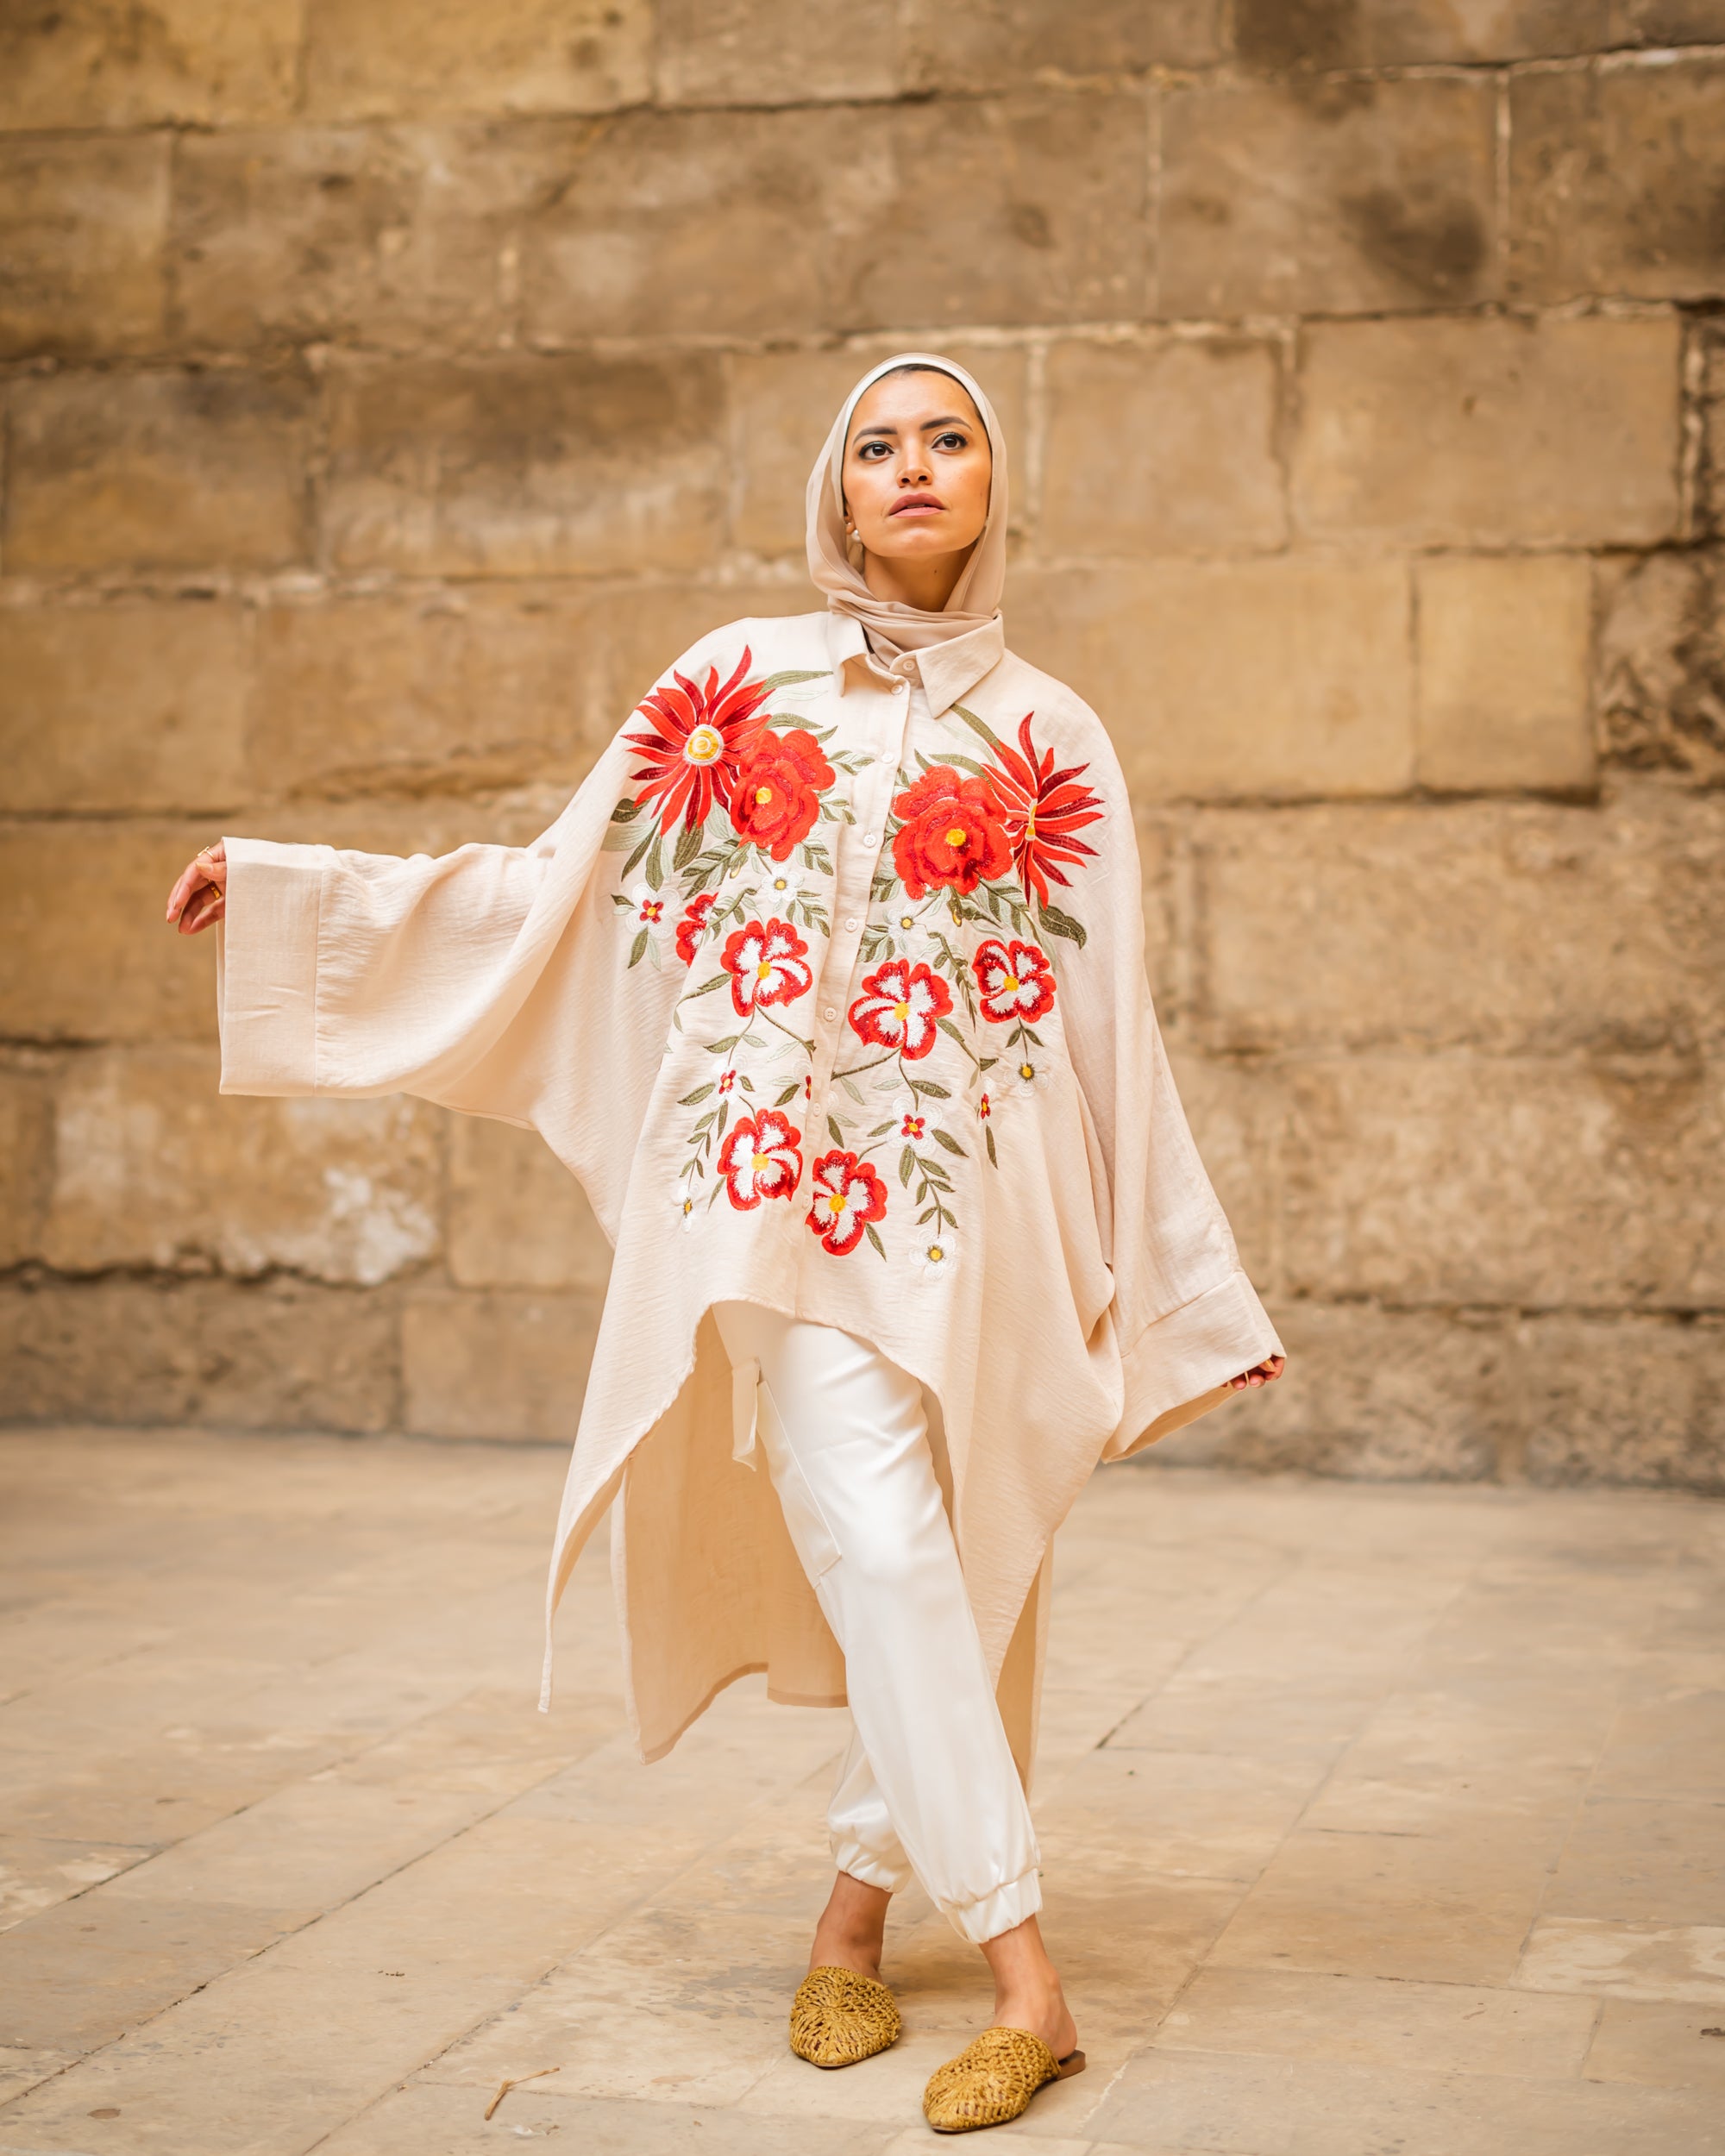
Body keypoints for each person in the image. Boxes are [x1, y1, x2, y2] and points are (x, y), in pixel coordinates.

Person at [167, 352, 1284, 2134]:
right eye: (876, 446)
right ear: (834, 491)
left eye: (948, 440)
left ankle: (848, 1921)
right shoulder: (730, 685)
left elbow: (1104, 1019)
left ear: (996, 481)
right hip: (767, 1199)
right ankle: (1024, 1968)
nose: (912, 469)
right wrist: (302, 888)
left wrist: (1177, 1283)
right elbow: (551, 891)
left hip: (969, 1207)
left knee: (960, 1543)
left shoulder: (1052, 734)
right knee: (874, 1514)